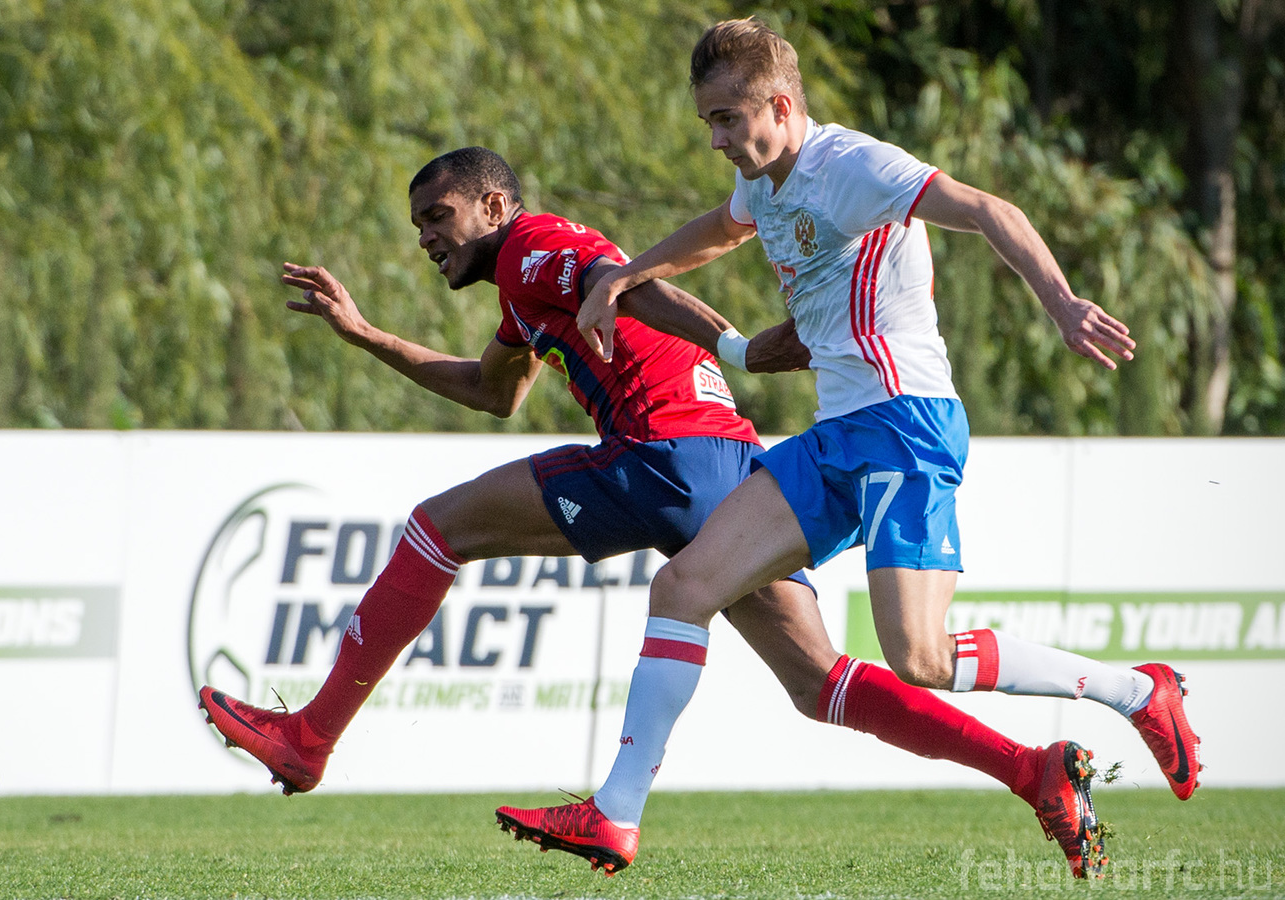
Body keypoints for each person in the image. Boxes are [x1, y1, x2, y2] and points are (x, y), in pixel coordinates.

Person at [199, 146, 1105, 876]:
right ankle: (1031, 772)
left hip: (662, 453)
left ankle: (310, 738)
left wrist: (738, 347)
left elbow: (630, 280)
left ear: (494, 205)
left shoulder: (534, 246)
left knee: (438, 530)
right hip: (731, 466)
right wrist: (365, 335)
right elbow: (491, 390)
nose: (428, 238)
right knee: (819, 683)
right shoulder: (523, 290)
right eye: (418, 227)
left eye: (439, 216)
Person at [496, 18, 1201, 881]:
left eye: (727, 119)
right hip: (834, 436)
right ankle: (615, 814)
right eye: (708, 122)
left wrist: (1061, 303)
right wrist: (626, 273)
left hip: (906, 423)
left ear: (780, 106)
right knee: (682, 587)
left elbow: (990, 210)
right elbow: (722, 228)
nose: (717, 141)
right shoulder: (763, 180)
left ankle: (1137, 691)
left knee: (921, 657)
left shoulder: (853, 166)